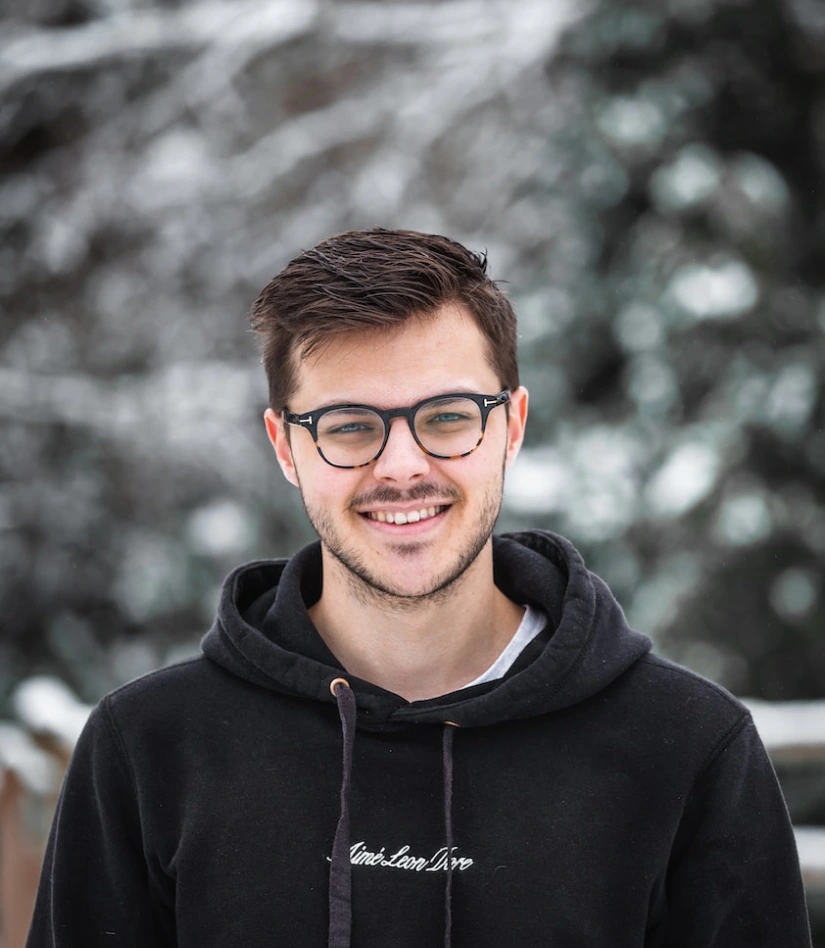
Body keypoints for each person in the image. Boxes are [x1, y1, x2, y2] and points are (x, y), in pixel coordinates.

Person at [27, 229, 810, 948]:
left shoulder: (685, 746)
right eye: (348, 424)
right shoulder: (150, 747)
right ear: (285, 446)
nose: (401, 466)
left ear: (512, 426)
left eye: (445, 416)